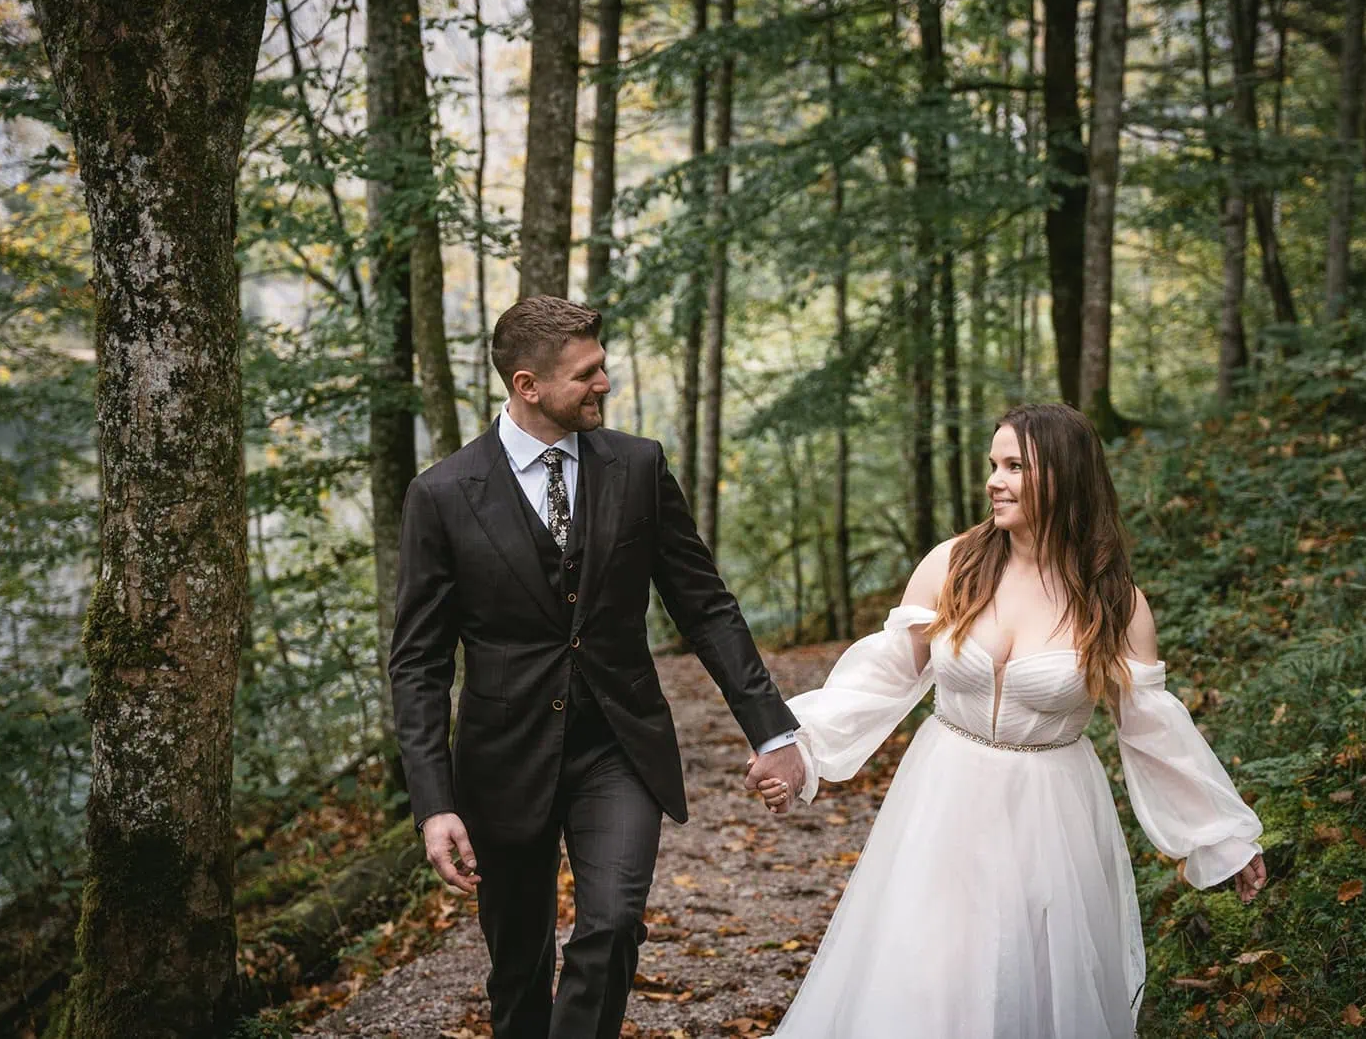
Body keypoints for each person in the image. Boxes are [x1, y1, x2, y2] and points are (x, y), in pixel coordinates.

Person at [753, 402, 1269, 1037]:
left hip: (1050, 813)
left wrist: (1218, 836)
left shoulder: (1116, 602)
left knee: (1027, 982)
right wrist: (797, 745)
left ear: (1065, 475)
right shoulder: (953, 563)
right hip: (942, 796)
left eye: (1015, 466)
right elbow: (885, 674)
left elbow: (1152, 731)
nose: (995, 480)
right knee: (930, 969)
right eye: (993, 465)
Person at [388, 295, 806, 1039]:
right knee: (517, 967)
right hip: (501, 760)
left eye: (602, 367)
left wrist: (771, 729)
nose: (604, 383)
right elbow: (418, 662)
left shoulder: (638, 466)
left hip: (618, 744)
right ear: (527, 385)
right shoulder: (443, 494)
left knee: (611, 924)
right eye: (586, 374)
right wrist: (434, 801)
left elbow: (705, 604)